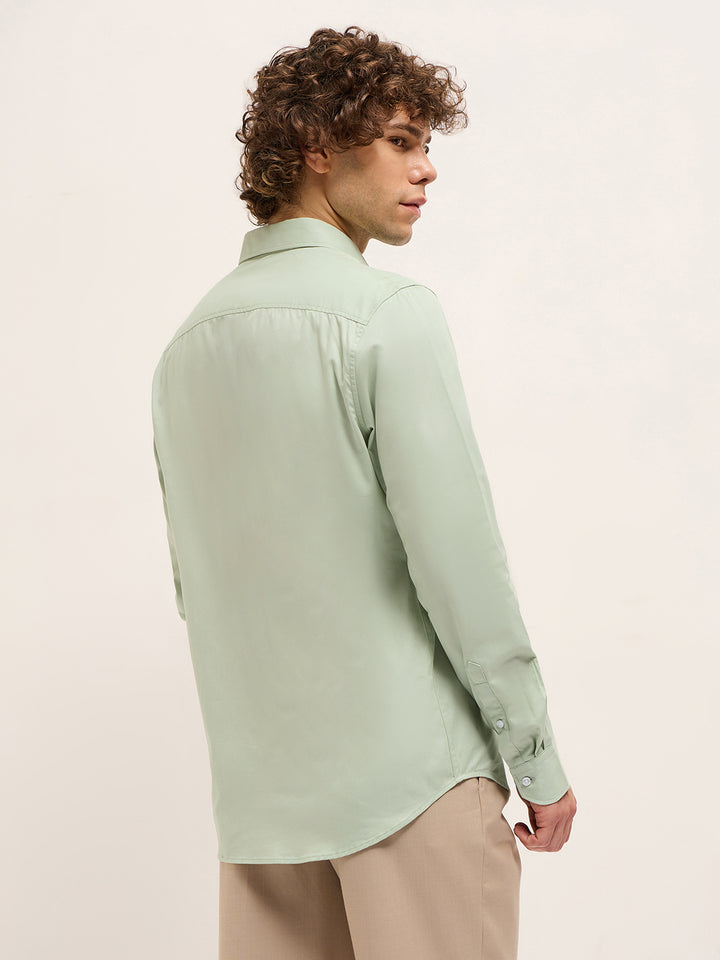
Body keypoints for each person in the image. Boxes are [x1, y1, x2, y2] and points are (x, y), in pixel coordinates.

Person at [151, 24, 577, 960]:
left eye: (425, 143)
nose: (426, 168)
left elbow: (198, 588)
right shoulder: (388, 315)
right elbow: (461, 568)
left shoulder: (186, 348)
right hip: (413, 788)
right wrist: (536, 759)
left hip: (265, 813)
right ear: (316, 145)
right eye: (400, 141)